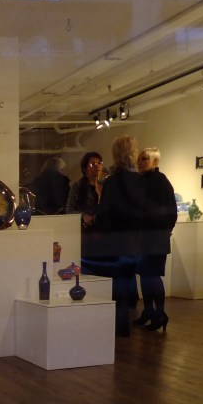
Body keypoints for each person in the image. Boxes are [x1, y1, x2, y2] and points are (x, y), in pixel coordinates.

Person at [86, 136, 145, 337]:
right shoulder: (140, 181)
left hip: (115, 238)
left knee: (117, 281)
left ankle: (119, 324)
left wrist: (92, 218)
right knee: (127, 277)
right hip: (134, 237)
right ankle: (124, 321)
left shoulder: (113, 182)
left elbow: (105, 210)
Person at [135, 147, 177, 331]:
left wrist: (165, 229)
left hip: (154, 236)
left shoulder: (160, 181)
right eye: (139, 159)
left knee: (151, 275)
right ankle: (149, 311)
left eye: (144, 159)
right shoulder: (144, 181)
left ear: (155, 162)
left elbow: (170, 211)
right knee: (146, 275)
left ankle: (159, 313)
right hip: (147, 236)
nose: (140, 162)